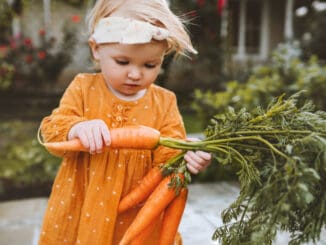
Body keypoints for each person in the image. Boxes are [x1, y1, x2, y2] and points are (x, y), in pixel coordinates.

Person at [38, 0, 211, 244]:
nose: (135, 73)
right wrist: (77, 127)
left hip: (137, 210)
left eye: (150, 65)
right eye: (123, 62)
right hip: (83, 204)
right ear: (96, 49)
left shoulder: (164, 102)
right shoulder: (83, 88)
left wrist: (187, 154)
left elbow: (168, 155)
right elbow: (52, 130)